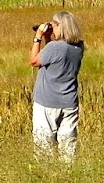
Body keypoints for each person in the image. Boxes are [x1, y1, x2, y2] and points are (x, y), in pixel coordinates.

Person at [29, 10, 85, 161]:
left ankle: (47, 173)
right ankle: (69, 172)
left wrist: (38, 37)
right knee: (68, 146)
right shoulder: (79, 47)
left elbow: (34, 61)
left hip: (47, 102)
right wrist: (49, 38)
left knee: (44, 146)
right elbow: (54, 58)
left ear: (60, 26)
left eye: (54, 25)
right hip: (69, 102)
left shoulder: (54, 47)